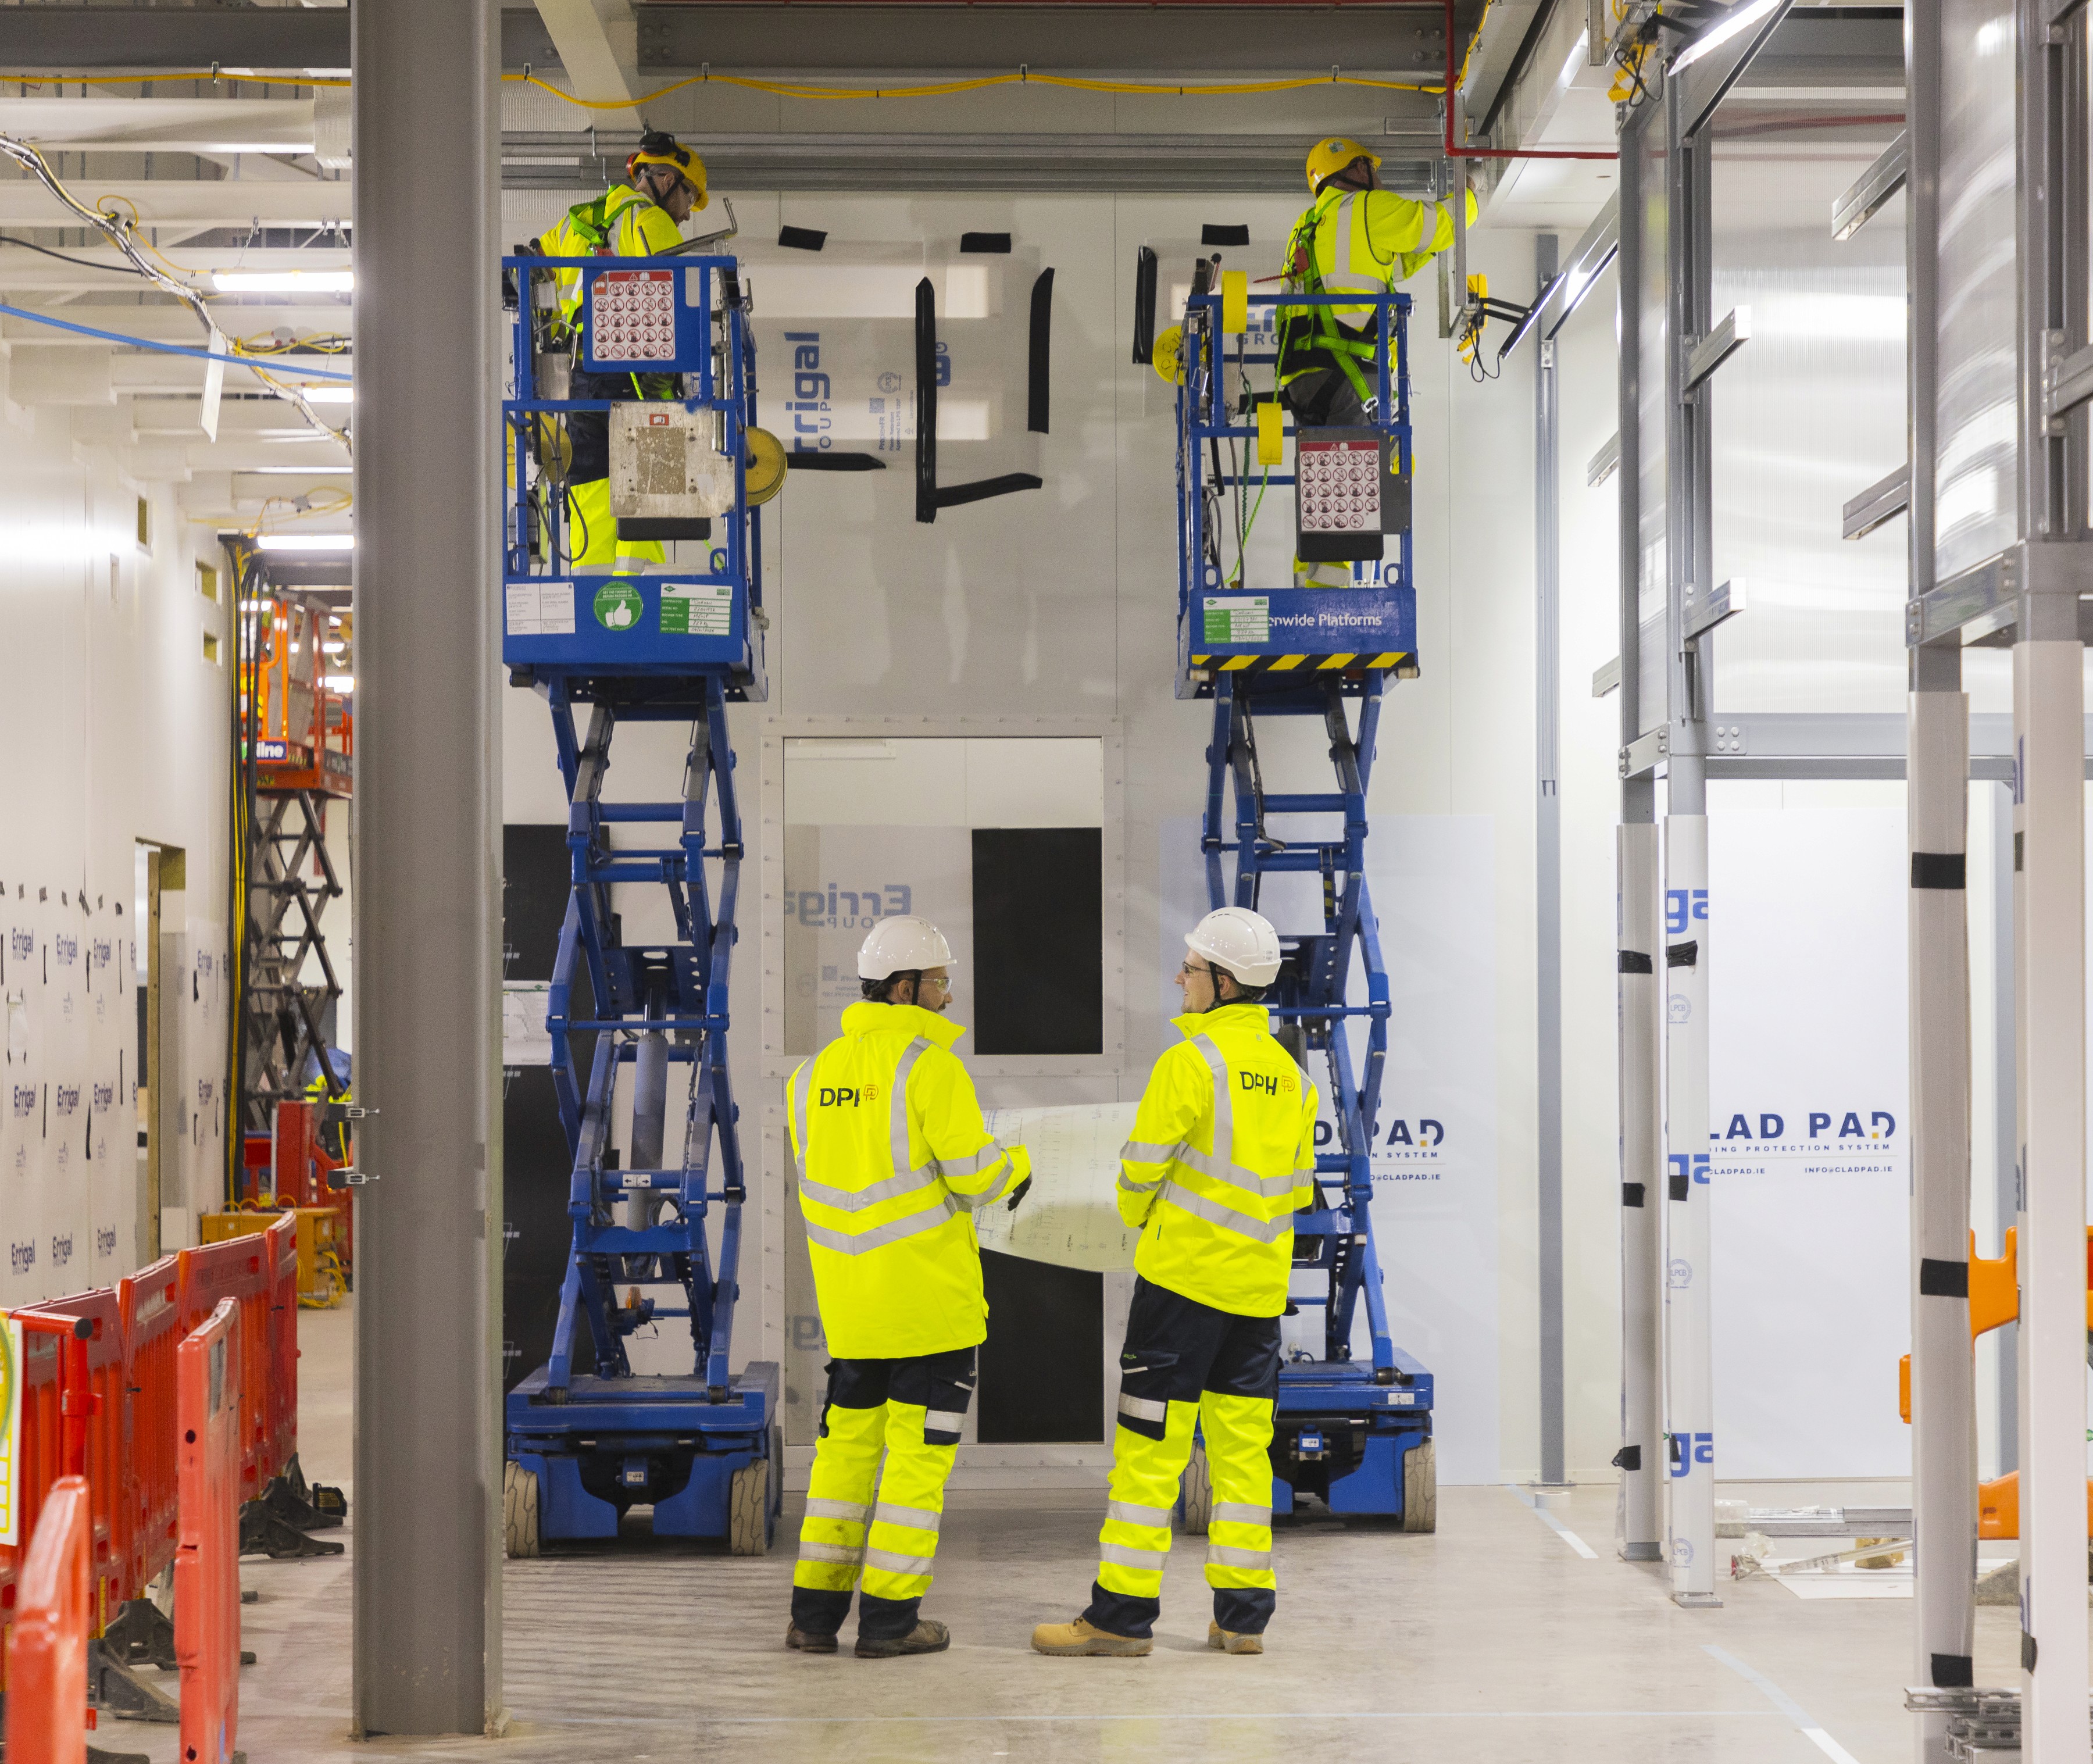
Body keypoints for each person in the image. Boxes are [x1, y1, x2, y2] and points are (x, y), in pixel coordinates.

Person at [1032, 906, 1317, 1659]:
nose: (1180, 979)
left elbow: (1138, 1175)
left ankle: (1120, 1619)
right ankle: (1242, 1618)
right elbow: (1295, 1190)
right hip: (1255, 1299)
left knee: (1150, 1455)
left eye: (1190, 969)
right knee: (1242, 1458)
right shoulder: (1291, 1077)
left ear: (1223, 982)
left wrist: (1137, 1212)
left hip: (1181, 1293)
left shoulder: (1188, 1064)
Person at [785, 916, 1033, 1659]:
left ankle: (813, 1617)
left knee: (842, 1461)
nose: (948, 997)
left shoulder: (812, 1074)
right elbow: (977, 1177)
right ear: (906, 987)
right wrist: (1017, 1161)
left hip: (852, 1311)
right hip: (928, 1311)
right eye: (940, 983)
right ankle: (891, 1623)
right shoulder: (930, 1067)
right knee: (916, 1465)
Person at [1277, 140, 1475, 585]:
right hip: (1348, 370)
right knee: (1356, 491)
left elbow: (1395, 264)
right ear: (1355, 169)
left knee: (1324, 489)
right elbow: (1443, 225)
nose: (1378, 176)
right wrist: (1472, 194)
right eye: (1371, 166)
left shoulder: (1307, 225)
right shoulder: (1366, 207)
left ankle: (1312, 589)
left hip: (1304, 376)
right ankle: (1332, 615)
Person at [530, 131, 708, 572]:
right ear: (666, 179)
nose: (687, 214)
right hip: (632, 371)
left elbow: (536, 260)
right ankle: (632, 592)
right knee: (650, 481)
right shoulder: (651, 221)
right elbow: (678, 310)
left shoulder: (585, 219)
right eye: (689, 197)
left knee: (589, 476)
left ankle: (589, 594)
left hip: (578, 376)